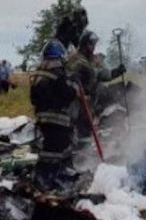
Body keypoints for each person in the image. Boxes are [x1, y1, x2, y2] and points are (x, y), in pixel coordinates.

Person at [30, 39, 79, 188]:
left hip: (42, 120)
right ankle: (52, 177)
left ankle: (44, 176)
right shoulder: (58, 74)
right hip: (58, 120)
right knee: (58, 150)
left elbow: (33, 99)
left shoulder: (38, 74)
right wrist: (74, 84)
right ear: (60, 57)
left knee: (48, 149)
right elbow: (68, 94)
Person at [67, 31, 125, 137]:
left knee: (86, 131)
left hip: (89, 104)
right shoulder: (75, 59)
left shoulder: (92, 61)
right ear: (84, 44)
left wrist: (116, 71)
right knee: (78, 130)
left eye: (94, 44)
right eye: (91, 44)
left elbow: (103, 74)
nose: (93, 47)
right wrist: (75, 78)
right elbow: (67, 78)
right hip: (76, 104)